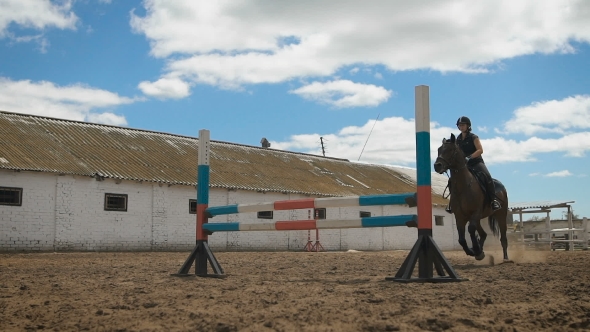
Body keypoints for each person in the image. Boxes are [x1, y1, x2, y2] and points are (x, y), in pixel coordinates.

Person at [446, 116, 501, 213]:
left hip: (476, 162)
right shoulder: (457, 140)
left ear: (468, 126)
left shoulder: (473, 137)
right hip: (464, 165)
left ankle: (493, 200)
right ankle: (452, 203)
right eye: (459, 125)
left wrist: (469, 157)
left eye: (463, 125)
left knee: (487, 177)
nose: (461, 127)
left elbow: (480, 150)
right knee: (452, 180)